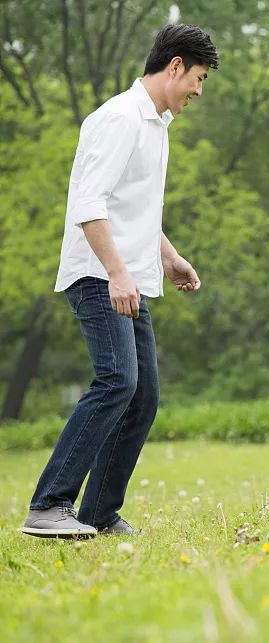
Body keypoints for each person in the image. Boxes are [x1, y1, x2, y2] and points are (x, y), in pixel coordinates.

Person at [21, 25, 219, 539]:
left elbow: (136, 210)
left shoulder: (157, 125)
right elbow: (89, 204)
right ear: (175, 66)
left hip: (128, 279)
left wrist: (171, 257)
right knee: (118, 381)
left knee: (143, 396)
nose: (199, 90)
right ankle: (48, 505)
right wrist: (115, 272)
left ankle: (97, 513)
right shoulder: (117, 118)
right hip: (98, 275)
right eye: (198, 78)